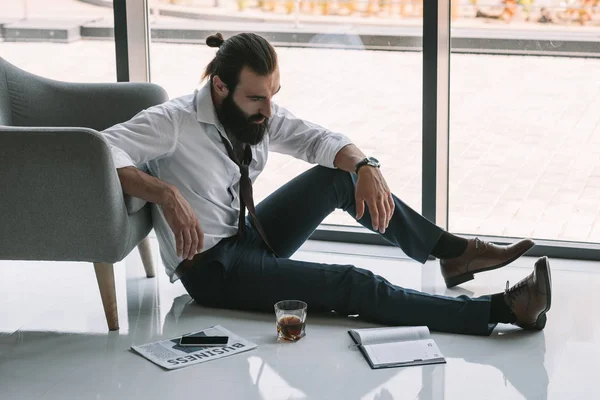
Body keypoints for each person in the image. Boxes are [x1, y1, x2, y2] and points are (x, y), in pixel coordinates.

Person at [102, 32, 552, 336]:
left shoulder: (256, 114)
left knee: (339, 176)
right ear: (219, 88)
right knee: (352, 282)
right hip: (213, 270)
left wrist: (366, 166)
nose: (268, 110)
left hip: (249, 237)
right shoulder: (172, 122)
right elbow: (101, 151)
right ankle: (499, 311)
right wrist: (164, 192)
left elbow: (317, 138)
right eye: (257, 97)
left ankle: (455, 253)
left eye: (273, 94)